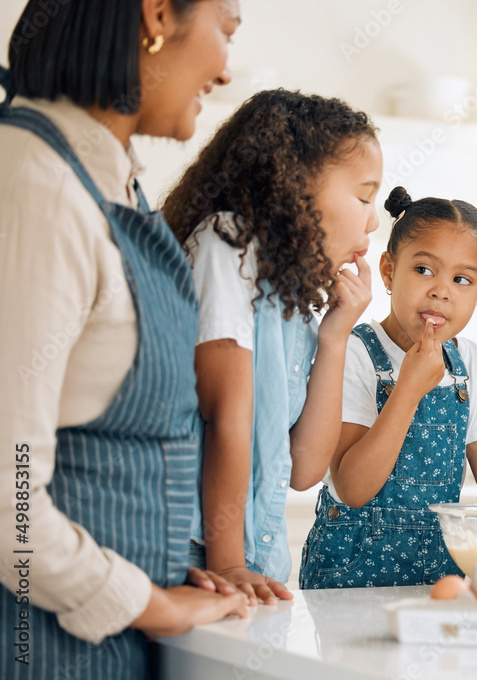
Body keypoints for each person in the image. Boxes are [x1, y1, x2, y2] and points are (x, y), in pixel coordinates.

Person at [0, 1, 250, 678]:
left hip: (111, 642)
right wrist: (152, 605)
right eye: (226, 31)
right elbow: (9, 498)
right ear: (158, 15)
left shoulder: (109, 182)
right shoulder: (40, 188)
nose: (226, 73)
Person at [162, 89, 382, 603]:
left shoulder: (291, 296)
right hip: (199, 561)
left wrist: (335, 336)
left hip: (254, 565)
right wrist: (228, 564)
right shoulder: (226, 245)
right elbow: (226, 415)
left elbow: (305, 469)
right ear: (296, 185)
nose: (373, 221)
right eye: (364, 196)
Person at [299, 186, 477, 589]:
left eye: (462, 280)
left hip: (435, 579)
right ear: (389, 270)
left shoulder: (469, 365)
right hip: (348, 579)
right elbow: (352, 488)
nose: (441, 290)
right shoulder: (354, 353)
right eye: (424, 270)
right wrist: (407, 390)